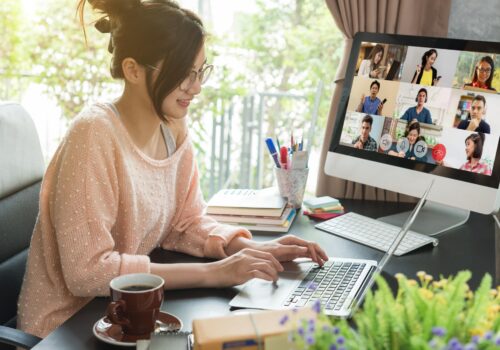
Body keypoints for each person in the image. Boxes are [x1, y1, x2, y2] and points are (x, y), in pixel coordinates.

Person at [17, 0, 328, 338]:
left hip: (128, 313)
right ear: (133, 70)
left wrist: (251, 249)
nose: (195, 87)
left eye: (199, 72)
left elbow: (184, 222)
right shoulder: (93, 134)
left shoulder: (172, 128)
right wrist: (217, 274)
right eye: (184, 74)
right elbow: (87, 273)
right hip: (65, 328)